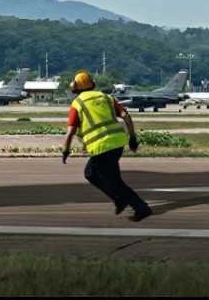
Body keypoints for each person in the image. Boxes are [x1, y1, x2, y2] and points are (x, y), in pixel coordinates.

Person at [60, 71, 151, 221]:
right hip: (117, 143)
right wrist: (133, 138)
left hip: (101, 147)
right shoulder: (107, 97)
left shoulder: (77, 104)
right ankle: (119, 199)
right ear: (93, 84)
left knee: (102, 177)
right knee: (100, 175)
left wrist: (65, 151)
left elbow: (70, 132)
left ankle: (140, 207)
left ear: (75, 86)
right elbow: (126, 116)